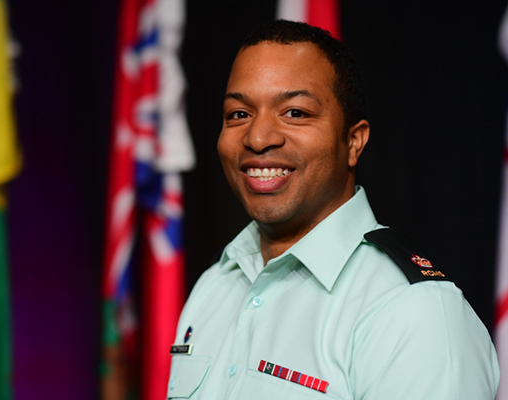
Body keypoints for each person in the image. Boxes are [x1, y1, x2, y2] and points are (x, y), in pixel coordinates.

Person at [166, 20, 500, 399]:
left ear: (354, 142)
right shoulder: (215, 285)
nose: (257, 138)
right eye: (238, 114)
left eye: (295, 112)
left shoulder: (416, 315)